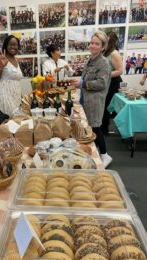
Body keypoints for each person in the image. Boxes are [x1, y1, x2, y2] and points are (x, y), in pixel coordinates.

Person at [72, 31, 112, 168]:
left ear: (103, 47)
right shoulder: (90, 60)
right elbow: (85, 78)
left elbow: (102, 83)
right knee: (89, 127)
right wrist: (79, 82)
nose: (93, 46)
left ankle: (105, 155)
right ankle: (91, 153)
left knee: (95, 127)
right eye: (92, 43)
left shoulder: (104, 63)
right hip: (86, 98)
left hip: (95, 101)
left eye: (97, 44)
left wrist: (83, 84)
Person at [0, 35, 23, 116]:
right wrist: (1, 66)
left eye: (15, 44)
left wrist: (21, 96)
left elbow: (16, 81)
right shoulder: (1, 58)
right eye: (10, 44)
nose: (13, 46)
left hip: (16, 96)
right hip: (5, 96)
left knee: (17, 122)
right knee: (9, 122)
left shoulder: (16, 59)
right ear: (6, 45)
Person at [101, 31, 123, 135]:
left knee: (108, 107)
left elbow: (120, 70)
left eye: (107, 39)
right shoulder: (105, 51)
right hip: (106, 82)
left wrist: (105, 74)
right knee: (104, 107)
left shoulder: (114, 53)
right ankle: (104, 129)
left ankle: (106, 130)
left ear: (112, 41)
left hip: (113, 84)